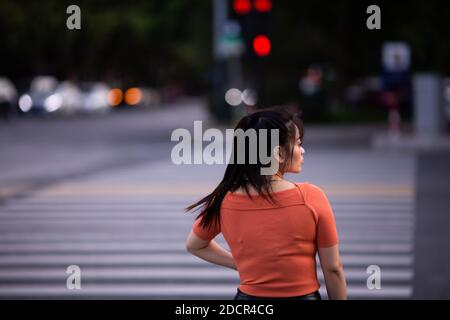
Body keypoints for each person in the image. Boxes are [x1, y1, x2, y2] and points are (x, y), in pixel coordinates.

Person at [185, 108, 347, 300]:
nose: (302, 150)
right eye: (297, 144)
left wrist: (243, 264)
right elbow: (333, 269)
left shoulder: (223, 201)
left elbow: (195, 245)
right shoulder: (311, 197)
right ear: (278, 154)